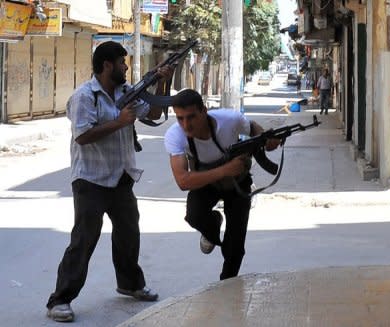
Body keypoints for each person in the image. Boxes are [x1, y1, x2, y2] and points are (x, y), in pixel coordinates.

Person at [46, 41, 174, 323]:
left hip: (121, 176)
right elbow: (82, 135)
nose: (126, 67)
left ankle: (130, 283)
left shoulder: (127, 92)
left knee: (129, 233)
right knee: (84, 239)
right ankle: (60, 300)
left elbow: (153, 113)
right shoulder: (84, 96)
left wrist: (161, 84)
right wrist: (119, 122)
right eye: (121, 62)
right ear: (107, 65)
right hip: (90, 179)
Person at [164, 89, 280, 280]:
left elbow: (251, 127)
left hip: (238, 183)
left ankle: (227, 285)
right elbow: (183, 181)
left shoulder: (229, 120)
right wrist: (225, 170)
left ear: (204, 110)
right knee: (194, 215)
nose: (186, 124)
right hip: (206, 183)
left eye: (191, 117)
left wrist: (266, 139)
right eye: (180, 118)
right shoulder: (175, 135)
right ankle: (213, 226)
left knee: (235, 245)